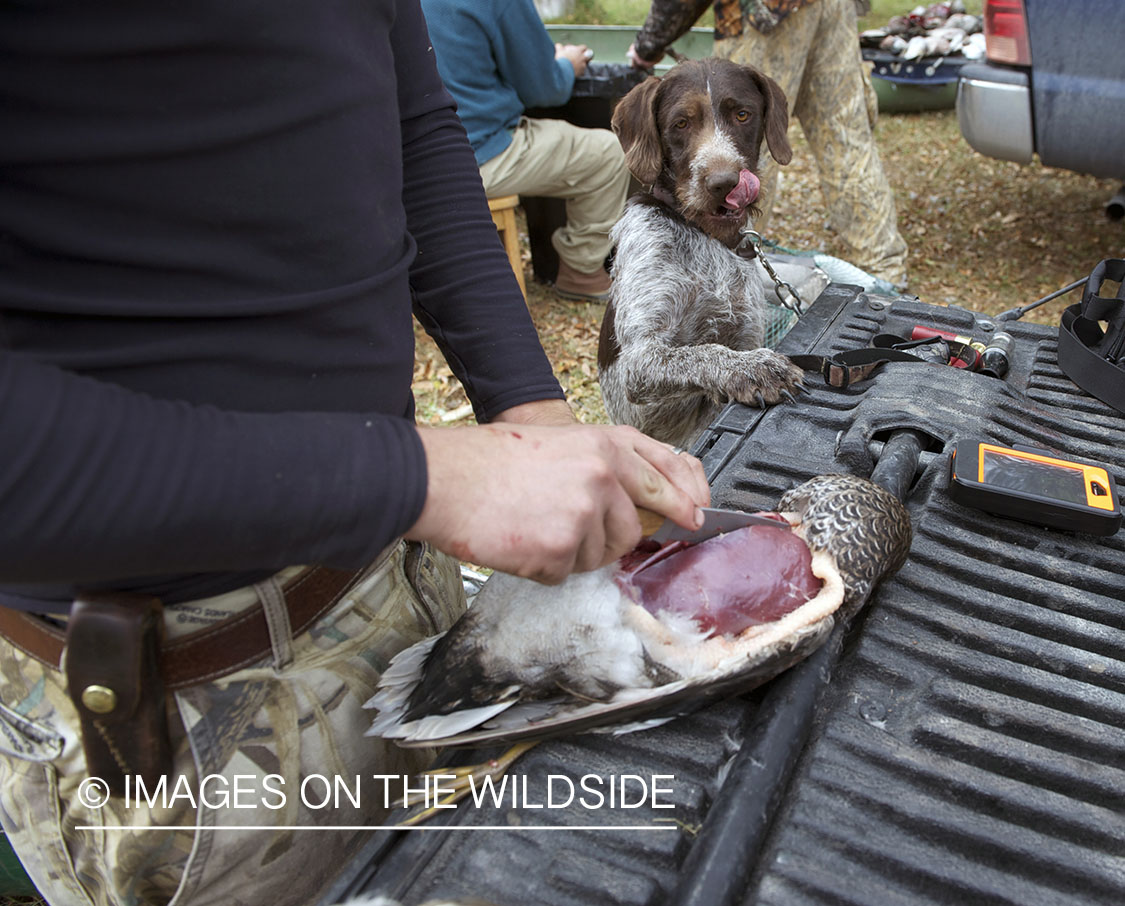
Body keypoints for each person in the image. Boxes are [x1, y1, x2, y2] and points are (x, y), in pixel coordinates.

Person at [0, 2, 709, 905]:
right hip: (187, 698)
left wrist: (536, 418)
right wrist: (421, 474)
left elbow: (410, 128)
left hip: (403, 578)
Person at [628, 0, 910, 290]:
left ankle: (729, 279)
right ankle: (884, 272)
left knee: (734, 146)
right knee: (846, 138)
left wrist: (649, 44)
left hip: (766, 12)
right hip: (833, 6)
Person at [420, 0, 632, 302]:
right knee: (608, 153)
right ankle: (581, 272)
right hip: (471, 156)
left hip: (393, 160)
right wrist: (566, 63)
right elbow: (544, 88)